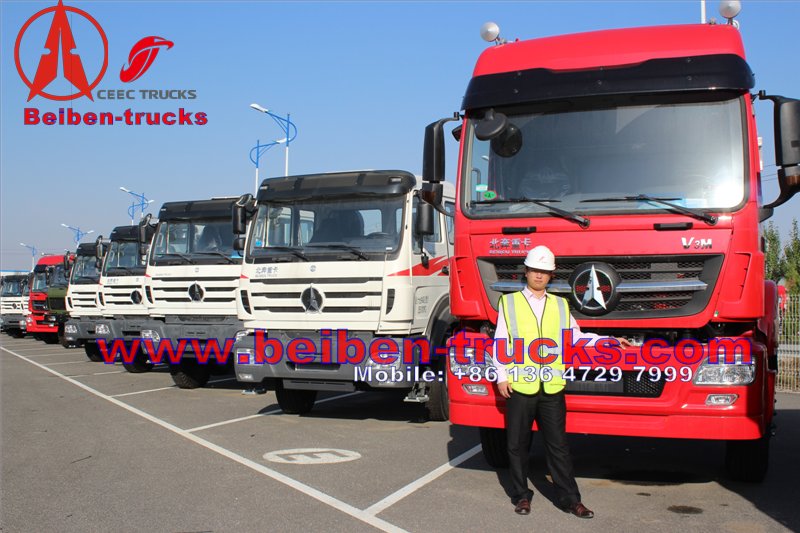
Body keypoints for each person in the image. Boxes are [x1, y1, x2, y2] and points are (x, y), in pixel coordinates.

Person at [492, 245, 631, 518]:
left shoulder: (559, 304)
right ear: (526, 271)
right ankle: (521, 496)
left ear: (551, 275)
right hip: (520, 385)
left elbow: (576, 337)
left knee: (559, 447)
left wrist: (608, 341)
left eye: (544, 271)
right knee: (517, 445)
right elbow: (501, 342)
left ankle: (571, 500)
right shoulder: (508, 303)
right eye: (535, 270)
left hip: (552, 387)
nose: (539, 275)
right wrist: (501, 376)